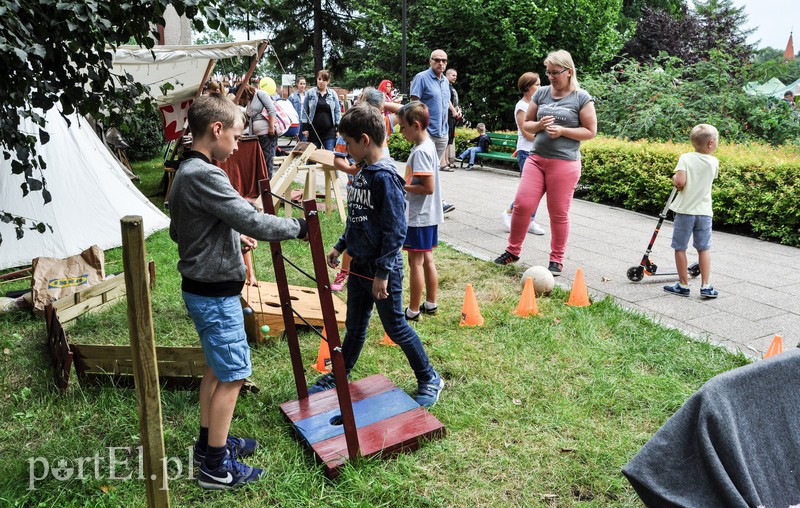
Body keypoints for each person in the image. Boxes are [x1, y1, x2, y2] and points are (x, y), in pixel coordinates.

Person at [169, 94, 308, 489]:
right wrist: (299, 227)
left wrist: (230, 239)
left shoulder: (186, 170)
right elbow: (252, 219)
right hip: (214, 295)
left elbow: (182, 230)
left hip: (203, 288)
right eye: (236, 135)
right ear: (216, 130)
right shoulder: (206, 175)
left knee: (215, 368)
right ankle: (215, 468)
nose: (237, 144)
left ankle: (208, 444)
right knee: (233, 375)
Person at [308, 104, 444, 407]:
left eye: (349, 143)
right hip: (359, 263)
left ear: (365, 140)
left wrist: (383, 272)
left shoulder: (384, 177)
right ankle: (339, 376)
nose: (347, 149)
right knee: (355, 326)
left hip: (382, 269)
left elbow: (395, 230)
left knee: (395, 327)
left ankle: (429, 376)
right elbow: (358, 217)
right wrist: (341, 246)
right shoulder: (365, 173)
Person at [493, 50, 597, 276]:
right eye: (548, 72)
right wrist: (540, 125)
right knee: (522, 204)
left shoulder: (581, 97)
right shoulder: (541, 94)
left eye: (554, 72)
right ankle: (512, 251)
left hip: (565, 163)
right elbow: (527, 125)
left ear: (568, 72)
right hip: (537, 159)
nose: (550, 77)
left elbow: (590, 131)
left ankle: (556, 259)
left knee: (558, 213)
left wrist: (563, 131)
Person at [396, 101, 444, 320]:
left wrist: (400, 184)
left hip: (419, 216)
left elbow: (427, 187)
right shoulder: (427, 144)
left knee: (415, 262)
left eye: (403, 127)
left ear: (416, 125)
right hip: (428, 215)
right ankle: (430, 303)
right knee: (427, 259)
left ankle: (413, 310)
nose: (400, 131)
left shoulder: (421, 152)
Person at [663, 124, 720, 299]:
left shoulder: (686, 158)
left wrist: (674, 179)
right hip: (704, 212)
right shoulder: (714, 162)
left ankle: (683, 285)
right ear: (710, 143)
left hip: (685, 210)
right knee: (704, 248)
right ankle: (706, 286)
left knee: (680, 247)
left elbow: (680, 181)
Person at [410, 49, 455, 214]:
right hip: (426, 132)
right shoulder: (421, 78)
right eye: (437, 60)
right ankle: (433, 201)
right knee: (425, 167)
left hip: (442, 131)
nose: (440, 63)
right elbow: (414, 104)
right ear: (430, 61)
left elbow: (445, 101)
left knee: (433, 168)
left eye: (444, 60)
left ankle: (432, 201)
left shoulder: (444, 81)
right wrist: (419, 129)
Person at [501, 72, 545, 236]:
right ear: (527, 87)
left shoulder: (536, 104)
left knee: (537, 190)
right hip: (527, 152)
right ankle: (509, 212)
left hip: (538, 151)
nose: (540, 87)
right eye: (537, 85)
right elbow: (526, 132)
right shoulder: (522, 106)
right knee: (530, 190)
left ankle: (529, 220)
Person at [238, 84, 278, 179]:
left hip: (267, 134)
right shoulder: (249, 101)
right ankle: (261, 185)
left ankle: (268, 185)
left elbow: (271, 110)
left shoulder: (260, 94)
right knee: (259, 162)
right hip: (256, 136)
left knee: (267, 161)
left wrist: (271, 127)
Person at [302, 69, 341, 151]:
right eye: (319, 79)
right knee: (312, 157)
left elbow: (337, 112)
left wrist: (338, 129)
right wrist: (305, 128)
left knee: (328, 156)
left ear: (328, 81)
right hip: (313, 131)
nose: (321, 81)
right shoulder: (310, 93)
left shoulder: (333, 94)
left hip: (329, 132)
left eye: (324, 80)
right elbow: (304, 111)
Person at [440, 68, 462, 171]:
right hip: (447, 115)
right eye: (453, 75)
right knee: (446, 138)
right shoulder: (445, 86)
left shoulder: (451, 87)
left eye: (456, 76)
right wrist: (453, 111)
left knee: (450, 139)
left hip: (453, 116)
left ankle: (447, 161)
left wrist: (458, 111)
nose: (455, 77)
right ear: (447, 75)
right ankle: (443, 162)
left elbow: (455, 101)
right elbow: (447, 100)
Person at [288, 77, 308, 141]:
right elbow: (289, 109)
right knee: (298, 139)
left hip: (306, 121)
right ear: (297, 84)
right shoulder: (292, 96)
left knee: (305, 140)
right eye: (301, 83)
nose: (302, 85)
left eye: (304, 84)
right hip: (297, 121)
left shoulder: (308, 95)